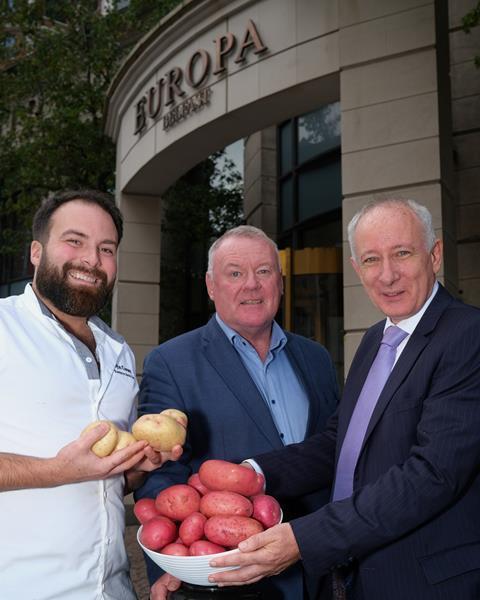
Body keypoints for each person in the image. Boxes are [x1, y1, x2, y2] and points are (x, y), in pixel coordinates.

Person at [207, 198, 480, 599]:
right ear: (357, 269)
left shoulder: (467, 335)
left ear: (434, 255)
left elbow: (433, 474)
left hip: (426, 581)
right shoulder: (374, 340)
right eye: (371, 260)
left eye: (401, 253)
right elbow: (339, 443)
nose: (387, 276)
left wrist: (304, 538)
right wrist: (253, 474)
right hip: (355, 575)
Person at [135, 225, 339, 599]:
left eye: (263, 271)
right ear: (211, 286)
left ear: (279, 282)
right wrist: (168, 563)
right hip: (232, 577)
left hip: (315, 567)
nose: (251, 285)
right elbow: (160, 475)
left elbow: (334, 449)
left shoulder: (317, 359)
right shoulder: (171, 362)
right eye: (235, 273)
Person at [0, 190, 182, 600]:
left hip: (113, 588)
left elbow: (111, 483)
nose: (91, 259)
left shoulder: (118, 349)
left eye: (106, 248)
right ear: (35, 251)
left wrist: (141, 465)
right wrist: (57, 470)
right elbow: (72, 470)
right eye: (74, 241)